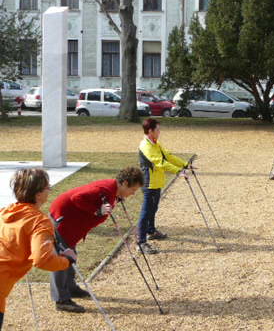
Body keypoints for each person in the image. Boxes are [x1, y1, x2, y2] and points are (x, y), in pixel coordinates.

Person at [50, 167, 143, 313]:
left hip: (71, 224)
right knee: (62, 259)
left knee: (71, 255)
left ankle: (70, 288)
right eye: (133, 190)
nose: (133, 194)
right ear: (125, 183)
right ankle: (61, 299)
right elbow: (77, 198)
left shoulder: (113, 190)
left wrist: (115, 200)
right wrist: (97, 210)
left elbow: (100, 201)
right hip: (63, 221)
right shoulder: (105, 189)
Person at [0, 169, 76, 329]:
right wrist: (67, 260)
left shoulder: (5, 212)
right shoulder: (40, 221)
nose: (50, 190)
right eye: (48, 187)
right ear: (38, 193)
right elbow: (43, 260)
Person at [138, 118, 188, 253]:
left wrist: (184, 164)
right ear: (150, 131)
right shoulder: (146, 146)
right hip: (149, 184)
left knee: (153, 209)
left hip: (157, 182)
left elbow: (168, 157)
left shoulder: (156, 143)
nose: (159, 132)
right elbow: (160, 162)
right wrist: (178, 171)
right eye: (157, 129)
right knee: (146, 212)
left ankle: (151, 231)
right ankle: (141, 243)